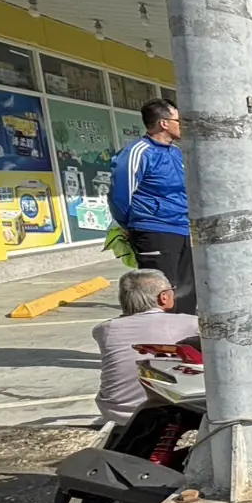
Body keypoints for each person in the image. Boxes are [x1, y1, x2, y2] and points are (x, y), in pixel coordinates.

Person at [109, 99, 194, 314]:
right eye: (179, 120)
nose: (182, 125)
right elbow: (120, 195)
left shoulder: (176, 153)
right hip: (154, 229)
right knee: (159, 293)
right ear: (164, 123)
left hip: (182, 228)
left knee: (186, 292)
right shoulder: (138, 152)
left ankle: (185, 340)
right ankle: (161, 343)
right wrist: (129, 226)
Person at [93, 269, 199, 426]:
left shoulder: (104, 330)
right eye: (171, 290)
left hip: (115, 412)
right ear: (163, 297)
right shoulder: (190, 322)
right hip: (165, 410)